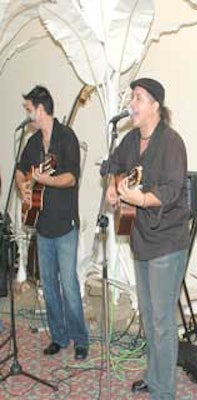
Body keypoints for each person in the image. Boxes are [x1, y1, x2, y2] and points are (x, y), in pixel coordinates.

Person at [106, 77, 189, 399]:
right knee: (149, 315)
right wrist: (114, 188)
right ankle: (154, 378)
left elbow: (171, 190)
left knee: (162, 319)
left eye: (138, 98)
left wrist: (140, 200)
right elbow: (112, 166)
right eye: (132, 98)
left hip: (167, 242)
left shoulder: (171, 142)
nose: (132, 104)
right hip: (139, 238)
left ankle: (163, 391)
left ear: (155, 104)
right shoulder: (129, 140)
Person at [15, 85, 89, 360]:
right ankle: (59, 336)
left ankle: (81, 339)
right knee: (47, 284)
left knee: (69, 285)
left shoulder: (67, 137)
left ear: (41, 109)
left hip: (65, 225)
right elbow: (21, 171)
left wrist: (47, 180)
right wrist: (24, 187)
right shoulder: (33, 143)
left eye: (28, 108)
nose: (27, 113)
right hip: (42, 225)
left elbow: (71, 177)